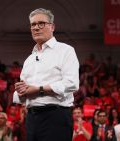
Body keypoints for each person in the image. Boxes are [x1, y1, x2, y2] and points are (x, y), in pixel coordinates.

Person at [13, 8, 79, 141]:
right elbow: (20, 96)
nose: (36, 28)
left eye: (41, 23)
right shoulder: (29, 60)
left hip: (56, 117)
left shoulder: (65, 50)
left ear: (52, 27)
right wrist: (20, 92)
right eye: (33, 24)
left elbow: (72, 84)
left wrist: (38, 90)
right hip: (31, 119)